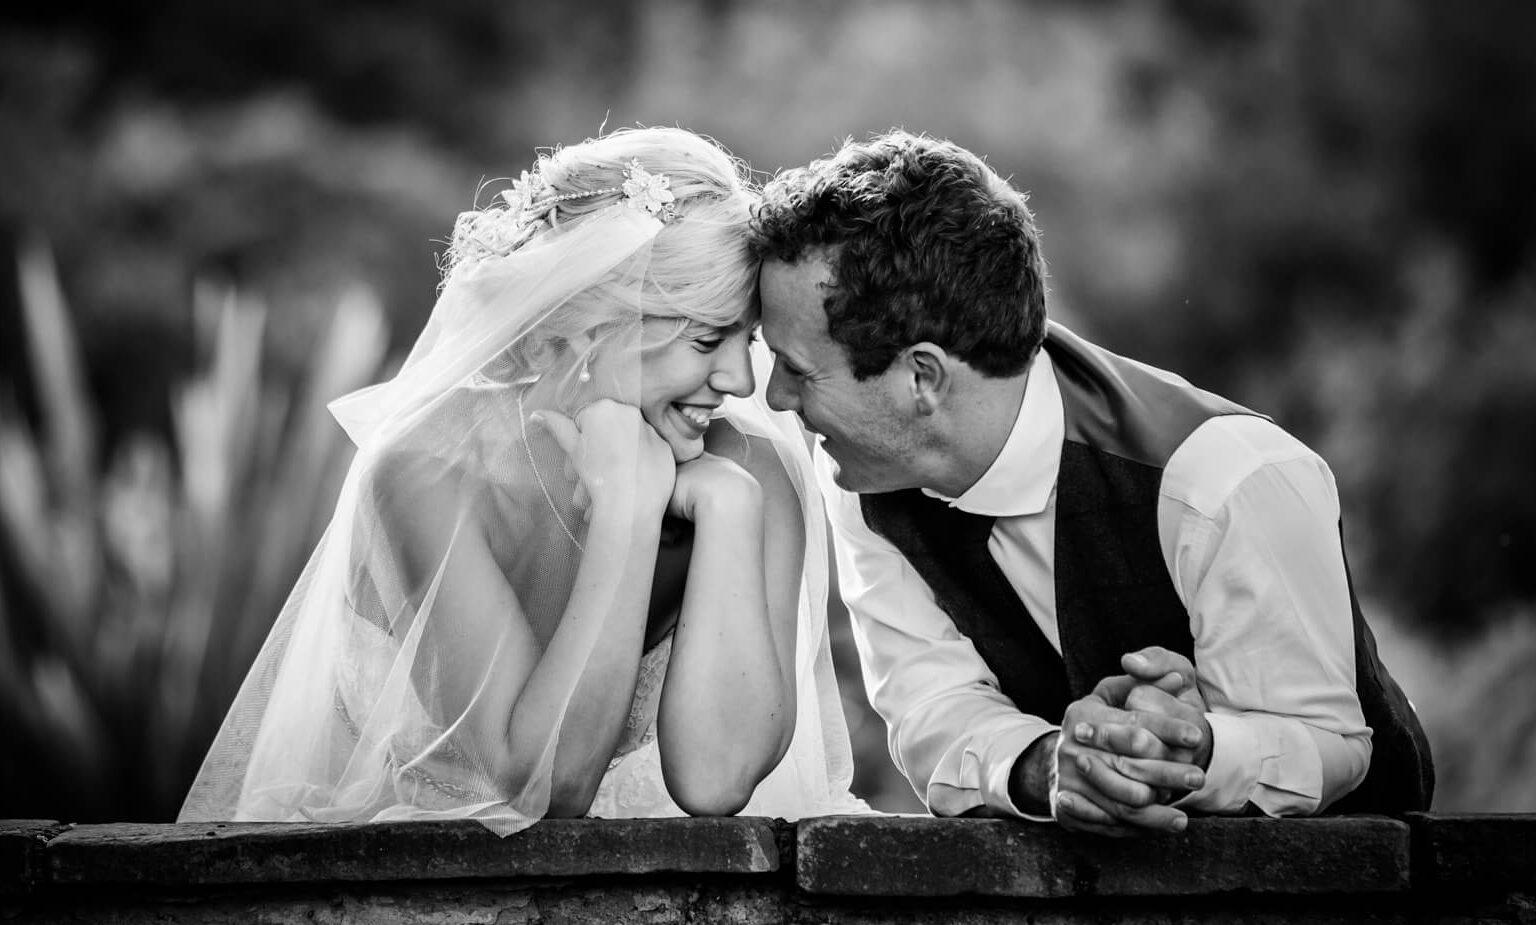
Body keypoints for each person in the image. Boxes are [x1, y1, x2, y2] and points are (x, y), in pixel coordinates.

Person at [179, 127, 866, 834]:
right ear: (585, 323)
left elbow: (717, 781)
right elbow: (546, 785)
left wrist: (727, 508)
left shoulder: (749, 474)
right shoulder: (426, 475)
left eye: (744, 338)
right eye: (704, 339)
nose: (740, 380)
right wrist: (627, 512)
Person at [750, 129, 1433, 836]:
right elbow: (930, 712)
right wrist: (1048, 765)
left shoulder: (1224, 479)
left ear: (923, 377)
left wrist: (1193, 747)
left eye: (797, 370)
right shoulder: (866, 478)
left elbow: (1334, 745)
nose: (773, 398)